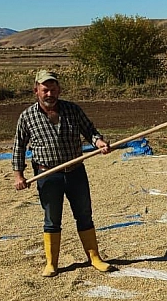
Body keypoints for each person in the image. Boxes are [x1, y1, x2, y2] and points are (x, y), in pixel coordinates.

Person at [13, 70, 115, 277]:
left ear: (59, 90)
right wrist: (18, 175)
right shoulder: (27, 116)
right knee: (52, 219)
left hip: (76, 172)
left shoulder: (72, 110)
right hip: (47, 175)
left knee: (84, 215)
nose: (49, 94)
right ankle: (52, 263)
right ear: (36, 91)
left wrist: (99, 142)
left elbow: (90, 131)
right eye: (45, 90)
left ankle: (94, 258)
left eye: (53, 89)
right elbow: (18, 147)